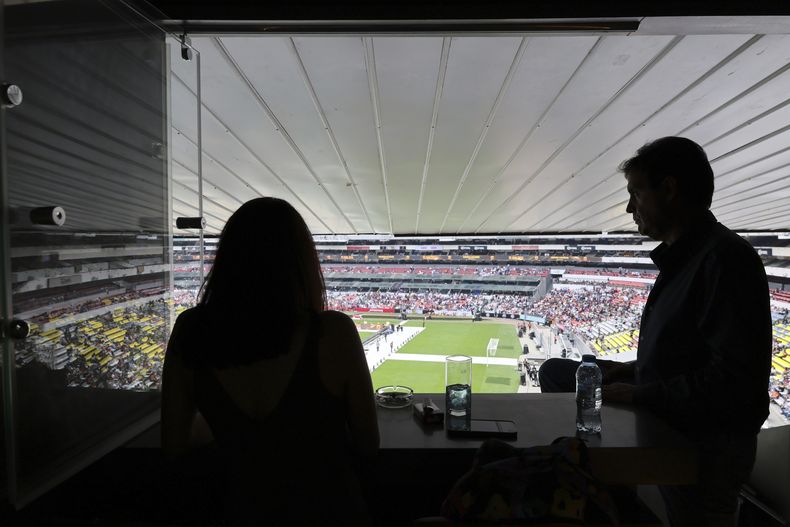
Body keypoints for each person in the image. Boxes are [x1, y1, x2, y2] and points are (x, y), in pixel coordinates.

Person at [538, 137, 771, 527]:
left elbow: (733, 383)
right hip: (674, 417)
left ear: (669, 189)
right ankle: (594, 480)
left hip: (699, 445)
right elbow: (689, 354)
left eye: (635, 193)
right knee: (558, 372)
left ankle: (595, 487)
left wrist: (640, 392)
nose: (630, 208)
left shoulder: (724, 260)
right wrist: (631, 370)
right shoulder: (694, 257)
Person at [161, 197, 379, 525]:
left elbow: (174, 445)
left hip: (236, 510)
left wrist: (231, 424)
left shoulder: (190, 329)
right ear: (301, 262)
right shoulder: (334, 332)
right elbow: (367, 443)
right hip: (329, 510)